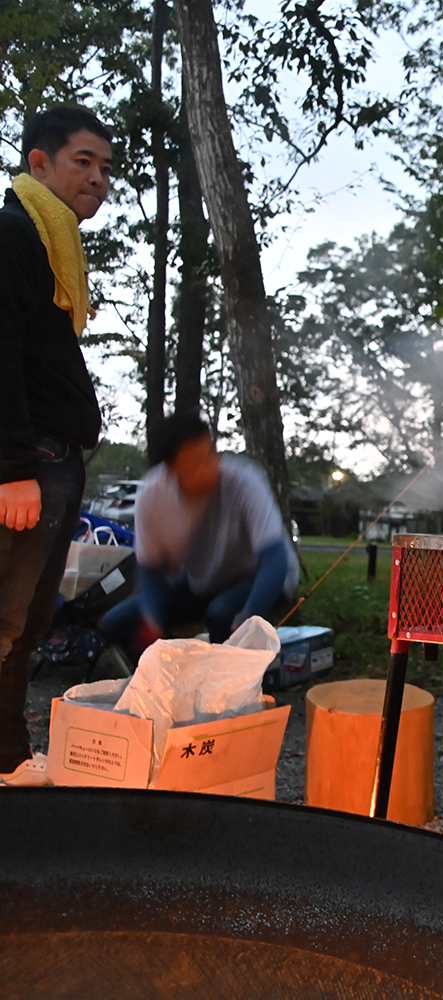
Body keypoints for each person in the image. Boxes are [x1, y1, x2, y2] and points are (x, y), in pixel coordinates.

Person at [0, 107, 113, 787]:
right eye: (83, 162)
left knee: (28, 619)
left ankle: (8, 756)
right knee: (7, 618)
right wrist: (12, 468)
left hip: (53, 458)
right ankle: (6, 757)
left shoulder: (53, 245)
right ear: (38, 164)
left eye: (105, 169)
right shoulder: (14, 233)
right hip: (28, 462)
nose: (98, 179)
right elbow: (0, 351)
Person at [101, 412, 297, 658]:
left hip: (258, 578)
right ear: (171, 470)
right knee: (116, 621)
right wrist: (153, 620)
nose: (210, 467)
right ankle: (165, 682)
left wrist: (247, 619)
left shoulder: (243, 481)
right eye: (195, 463)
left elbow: (275, 560)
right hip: (203, 582)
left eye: (211, 455)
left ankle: (230, 687)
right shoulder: (152, 496)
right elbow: (150, 571)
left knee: (222, 613)